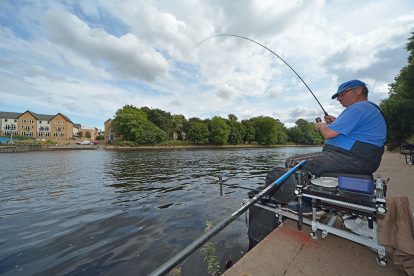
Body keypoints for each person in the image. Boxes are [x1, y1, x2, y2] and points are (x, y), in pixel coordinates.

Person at [285, 79, 387, 177]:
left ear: (358, 91)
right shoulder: (367, 108)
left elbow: (328, 133)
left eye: (341, 94)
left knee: (292, 162)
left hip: (354, 158)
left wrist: (321, 125)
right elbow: (356, 132)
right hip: (362, 158)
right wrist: (336, 122)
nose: (338, 98)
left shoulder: (359, 107)